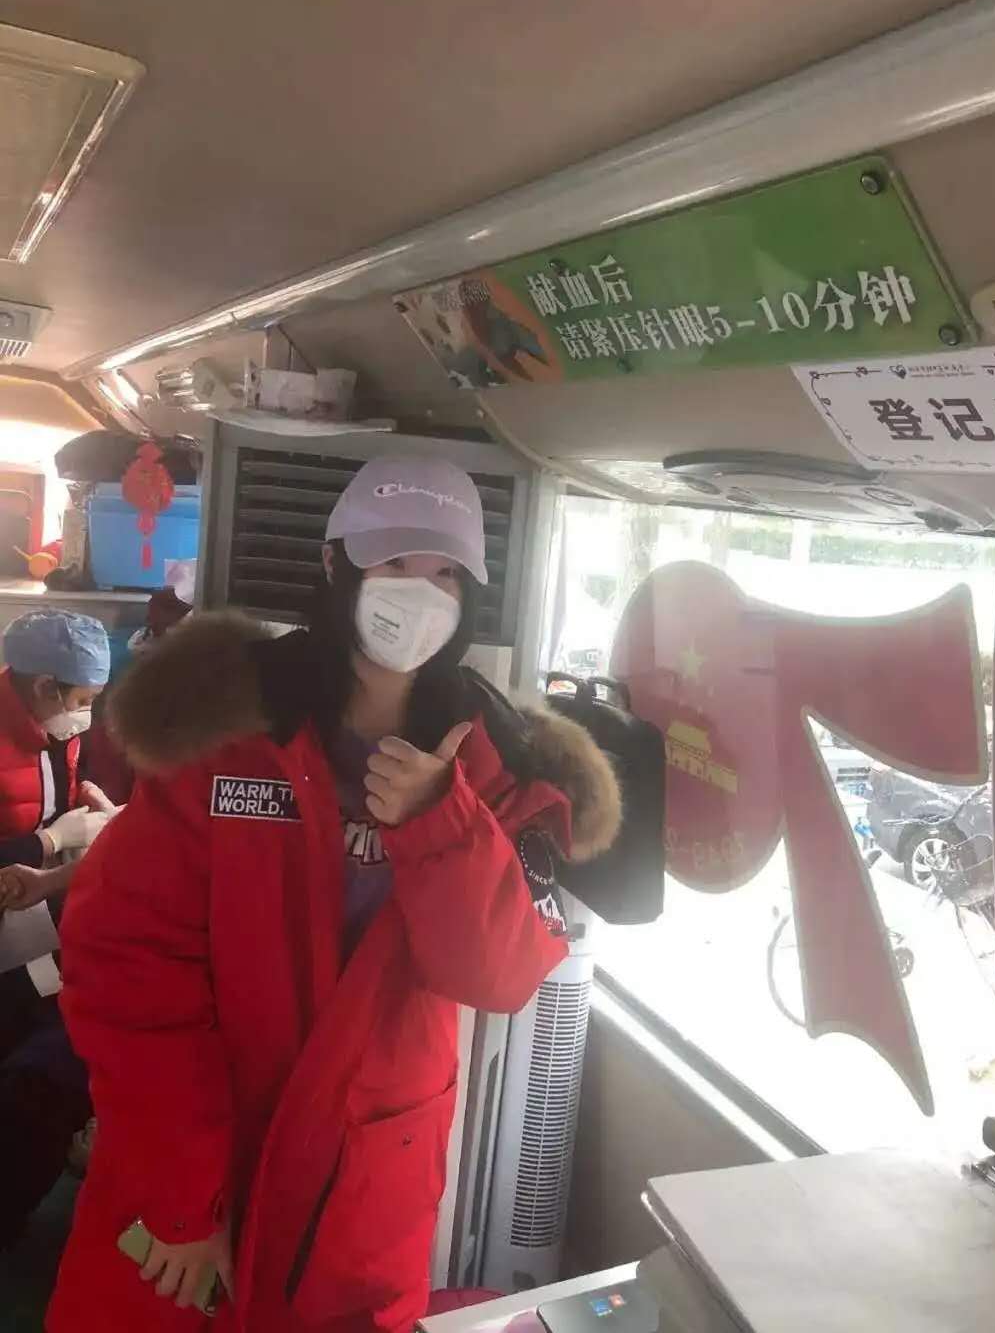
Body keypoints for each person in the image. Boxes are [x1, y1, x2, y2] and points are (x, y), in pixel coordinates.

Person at [48, 457, 621, 1333]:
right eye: (393, 564)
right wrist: (181, 1193)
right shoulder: (229, 725)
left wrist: (440, 821)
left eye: (444, 574)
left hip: (368, 1176)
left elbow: (500, 974)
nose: (418, 593)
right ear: (334, 564)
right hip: (193, 1142)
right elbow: (126, 961)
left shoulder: (499, 760)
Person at [0, 609, 113, 1250]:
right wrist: (48, 844)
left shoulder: (53, 731)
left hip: (25, 915)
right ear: (45, 686)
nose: (86, 717)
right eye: (83, 702)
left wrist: (75, 827)